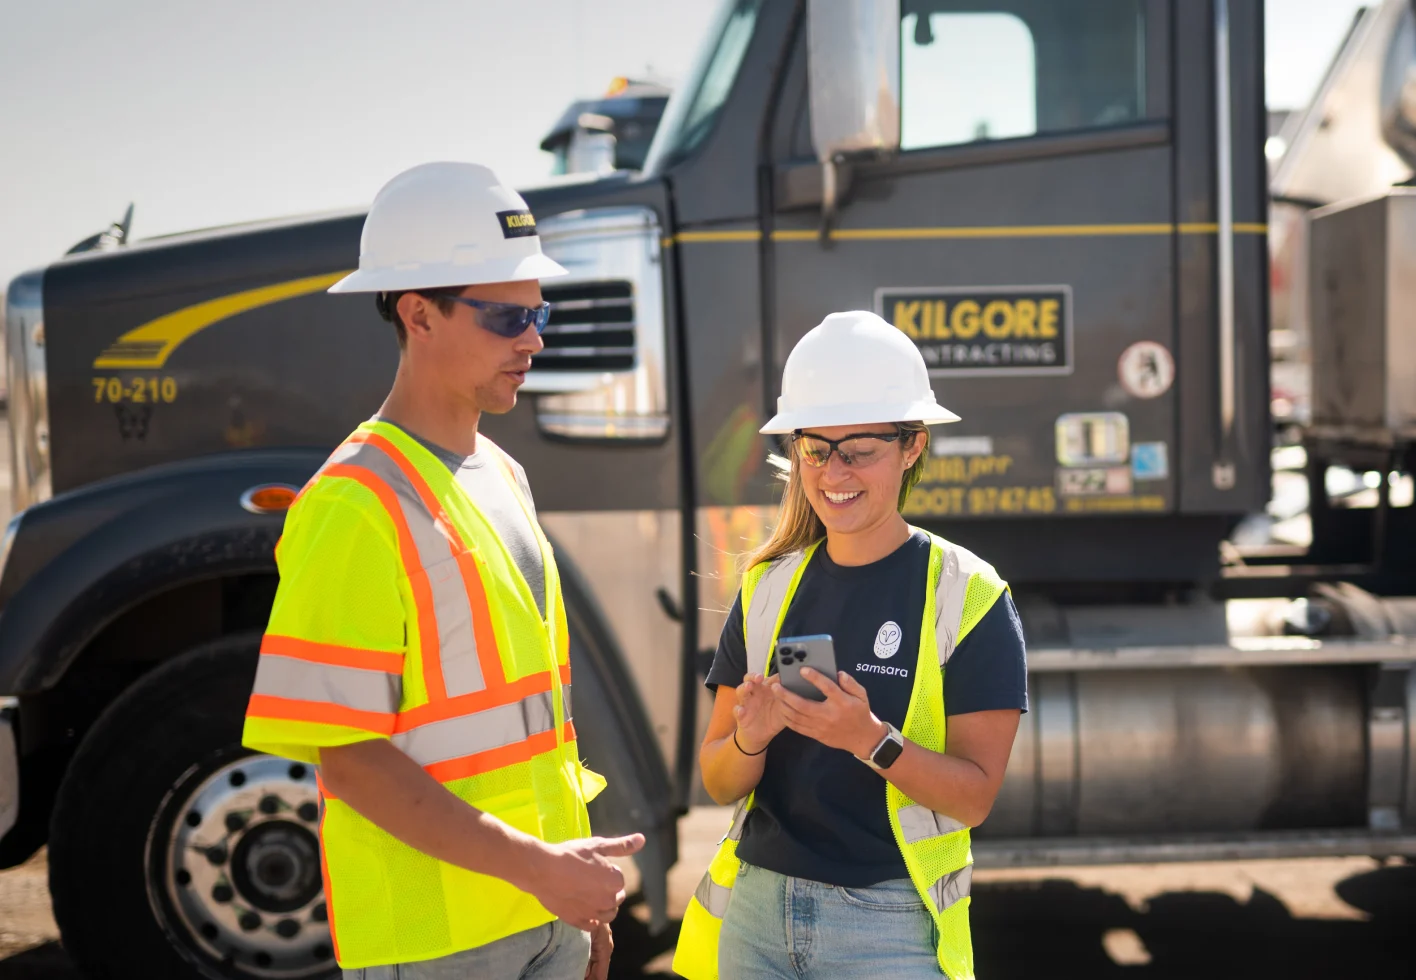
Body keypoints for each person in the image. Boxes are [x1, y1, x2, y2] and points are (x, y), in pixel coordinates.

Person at [241, 162, 642, 980]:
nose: (533, 339)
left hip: (543, 916)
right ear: (418, 315)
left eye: (539, 313)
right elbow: (348, 759)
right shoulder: (350, 505)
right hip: (432, 942)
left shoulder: (502, 475)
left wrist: (568, 892)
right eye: (506, 317)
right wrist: (543, 870)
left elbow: (527, 728)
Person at [673, 311, 1027, 980]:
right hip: (755, 917)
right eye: (816, 448)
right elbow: (719, 778)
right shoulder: (767, 588)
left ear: (912, 445)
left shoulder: (967, 594)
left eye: (860, 449)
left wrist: (868, 737)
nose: (835, 471)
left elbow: (974, 797)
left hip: (885, 930)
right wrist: (753, 733)